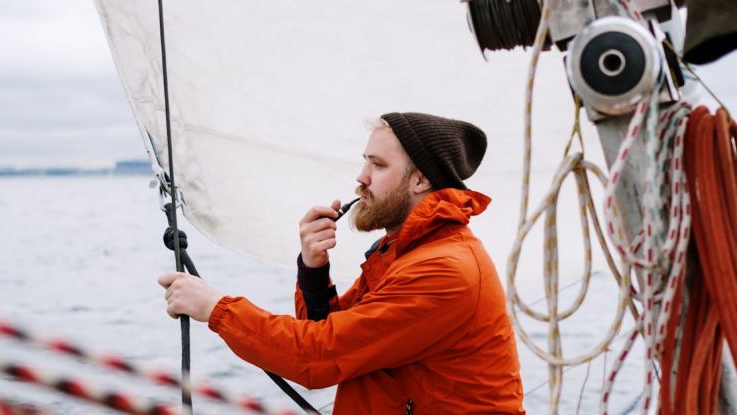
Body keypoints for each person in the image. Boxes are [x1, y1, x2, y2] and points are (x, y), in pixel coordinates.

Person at [159, 112, 525, 414]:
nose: (360, 178)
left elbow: (318, 359)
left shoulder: (443, 270)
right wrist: (313, 269)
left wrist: (214, 308)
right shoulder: (400, 253)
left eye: (377, 166)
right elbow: (334, 339)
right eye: (364, 162)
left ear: (421, 179)